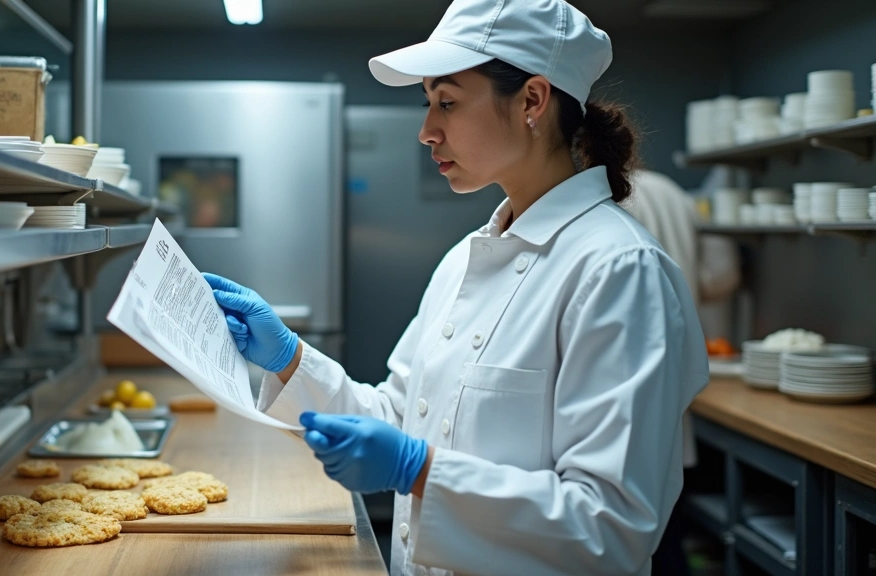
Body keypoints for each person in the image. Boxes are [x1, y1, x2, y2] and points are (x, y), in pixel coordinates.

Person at [205, 1, 709, 574]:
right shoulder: (464, 260)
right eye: (428, 104)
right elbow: (398, 418)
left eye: (446, 102)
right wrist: (292, 360)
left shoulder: (619, 269)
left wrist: (418, 470)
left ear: (532, 100)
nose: (426, 131)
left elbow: (608, 528)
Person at [626, 170, 742, 576]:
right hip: (674, 379)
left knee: (643, 540)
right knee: (668, 526)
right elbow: (720, 278)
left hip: (630, 396)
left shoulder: (602, 198)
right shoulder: (674, 193)